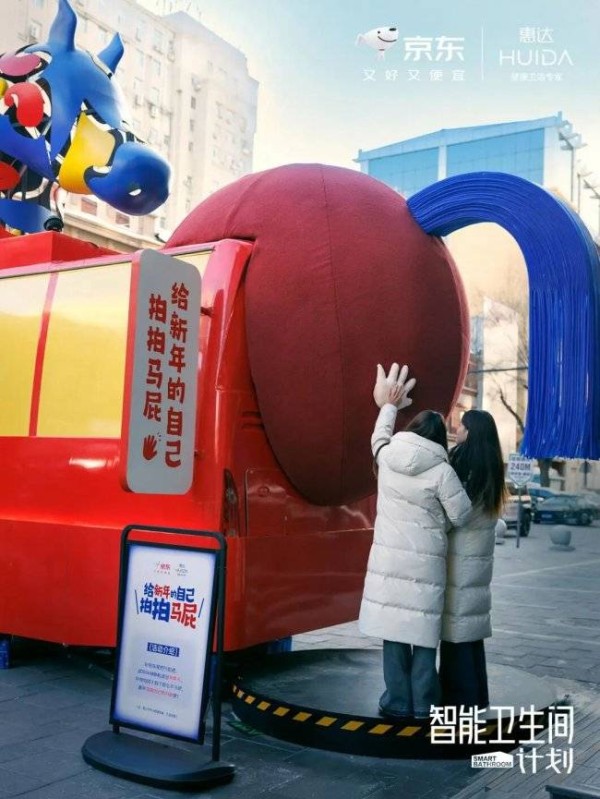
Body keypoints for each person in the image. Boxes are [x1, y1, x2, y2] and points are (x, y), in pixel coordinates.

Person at [359, 365, 471, 720]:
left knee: (393, 629)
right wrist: (438, 525)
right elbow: (462, 515)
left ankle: (395, 700)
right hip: (426, 564)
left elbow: (378, 436)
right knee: (423, 632)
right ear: (440, 438)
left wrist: (389, 406)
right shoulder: (442, 471)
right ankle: (424, 704)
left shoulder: (387, 456)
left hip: (388, 561)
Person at [439, 409, 506, 710]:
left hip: (460, 557)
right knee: (469, 631)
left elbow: (454, 514)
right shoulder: (490, 465)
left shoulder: (463, 464)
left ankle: (459, 701)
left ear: (471, 432)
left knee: (456, 631)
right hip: (477, 558)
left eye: (462, 426)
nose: (458, 430)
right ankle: (477, 698)